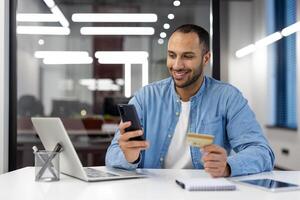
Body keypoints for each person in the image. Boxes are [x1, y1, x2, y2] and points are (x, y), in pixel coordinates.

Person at [105, 24, 275, 177]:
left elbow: (262, 152)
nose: (177, 65)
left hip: (205, 192)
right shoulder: (145, 98)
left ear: (206, 58)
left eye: (187, 56)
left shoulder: (227, 98)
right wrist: (129, 157)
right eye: (172, 55)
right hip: (154, 191)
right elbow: (113, 154)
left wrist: (228, 166)